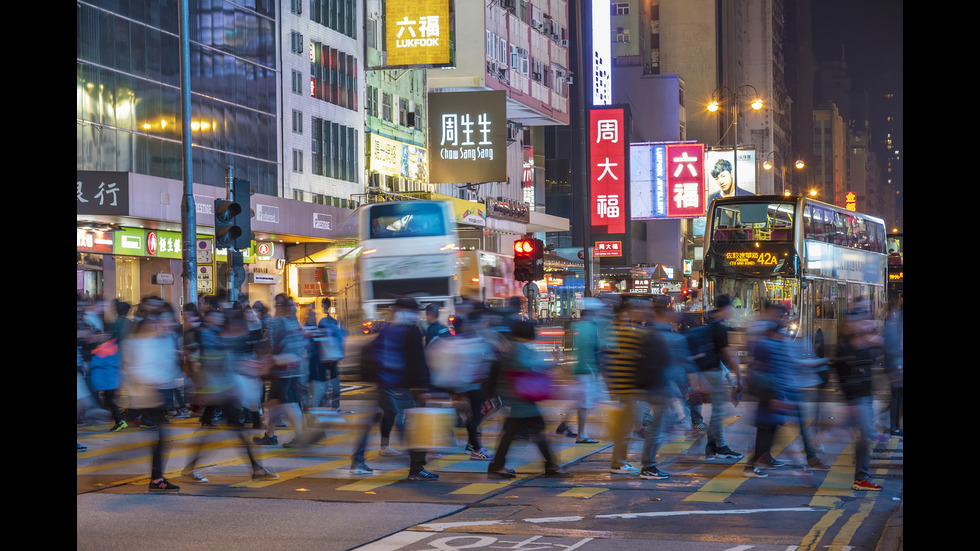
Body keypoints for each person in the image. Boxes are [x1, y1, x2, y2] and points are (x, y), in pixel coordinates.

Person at [182, 306, 277, 483]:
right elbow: (213, 361)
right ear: (209, 318)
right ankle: (256, 468)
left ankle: (255, 468)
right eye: (215, 317)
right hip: (218, 389)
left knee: (227, 430)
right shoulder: (207, 335)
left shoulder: (215, 333)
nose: (218, 320)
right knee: (232, 430)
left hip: (223, 388)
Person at [352, 297, 441, 480]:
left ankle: (358, 459)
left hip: (383, 383)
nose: (416, 315)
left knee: (379, 421)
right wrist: (423, 387)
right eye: (415, 311)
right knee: (409, 425)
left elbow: (368, 351)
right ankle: (415, 466)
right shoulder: (411, 330)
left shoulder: (388, 328)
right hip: (401, 386)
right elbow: (418, 362)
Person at [486, 320, 571, 479]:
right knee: (536, 430)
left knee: (512, 433)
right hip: (520, 399)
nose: (537, 333)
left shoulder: (514, 345)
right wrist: (552, 362)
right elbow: (525, 365)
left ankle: (497, 465)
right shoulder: (518, 347)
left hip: (517, 398)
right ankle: (551, 465)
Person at [120, 298, 181, 491]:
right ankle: (156, 479)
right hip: (147, 392)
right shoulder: (143, 336)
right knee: (163, 435)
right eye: (165, 321)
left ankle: (156, 478)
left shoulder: (163, 338)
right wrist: (155, 381)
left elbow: (167, 364)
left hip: (157, 392)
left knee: (160, 435)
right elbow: (134, 366)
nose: (168, 325)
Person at [834, 307, 884, 491]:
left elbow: (872, 362)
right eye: (859, 321)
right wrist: (851, 401)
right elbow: (843, 375)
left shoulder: (862, 343)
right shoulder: (844, 347)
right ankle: (861, 477)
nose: (863, 324)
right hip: (857, 398)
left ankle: (861, 476)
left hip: (865, 396)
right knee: (867, 435)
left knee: (865, 435)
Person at [689, 295, 744, 460]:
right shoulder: (719, 328)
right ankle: (714, 446)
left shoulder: (707, 324)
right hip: (712, 374)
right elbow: (728, 356)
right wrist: (738, 378)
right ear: (726, 308)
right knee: (719, 412)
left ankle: (717, 446)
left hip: (704, 373)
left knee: (717, 412)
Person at [254, 294, 307, 447]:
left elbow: (270, 343)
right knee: (273, 403)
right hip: (293, 367)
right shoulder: (294, 322)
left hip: (282, 368)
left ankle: (300, 437)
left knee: (289, 403)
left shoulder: (276, 322)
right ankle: (270, 435)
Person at [604, 298, 649, 475]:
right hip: (627, 387)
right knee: (625, 427)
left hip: (626, 386)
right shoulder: (627, 332)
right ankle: (619, 463)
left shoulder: (618, 331)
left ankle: (619, 461)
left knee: (628, 426)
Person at [564, 297, 611, 444]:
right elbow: (599, 347)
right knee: (587, 403)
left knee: (587, 402)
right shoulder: (592, 327)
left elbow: (570, 348)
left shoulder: (576, 326)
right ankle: (582, 434)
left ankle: (583, 431)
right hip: (589, 370)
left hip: (579, 369)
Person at [314, 297, 347, 413]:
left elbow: (318, 339)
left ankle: (323, 401)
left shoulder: (322, 322)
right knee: (334, 380)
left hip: (324, 356)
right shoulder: (334, 322)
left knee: (322, 380)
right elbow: (342, 338)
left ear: (323, 306)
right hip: (334, 356)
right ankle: (335, 404)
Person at [883, 299, 903, 437]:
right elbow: (892, 347)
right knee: (896, 396)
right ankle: (894, 427)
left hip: (895, 363)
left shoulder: (891, 322)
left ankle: (894, 425)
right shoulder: (892, 324)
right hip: (896, 364)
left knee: (896, 396)